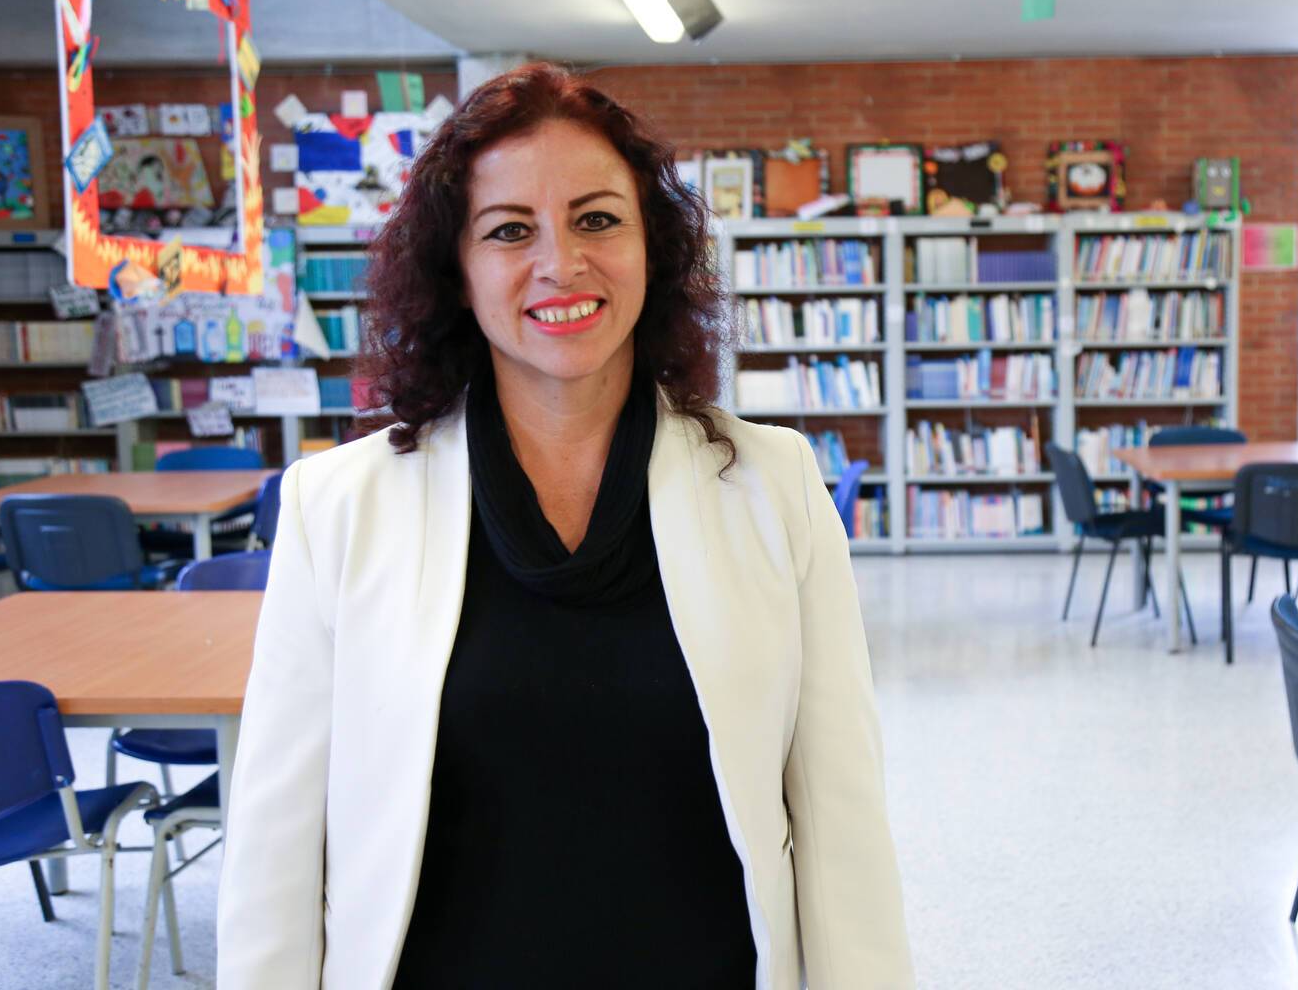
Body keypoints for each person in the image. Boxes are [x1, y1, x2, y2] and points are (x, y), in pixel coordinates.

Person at [216, 63, 914, 989]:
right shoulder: (336, 507)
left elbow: (839, 817)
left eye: (597, 219)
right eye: (510, 231)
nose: (561, 263)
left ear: (652, 247)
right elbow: (275, 851)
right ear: (457, 273)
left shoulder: (772, 484)